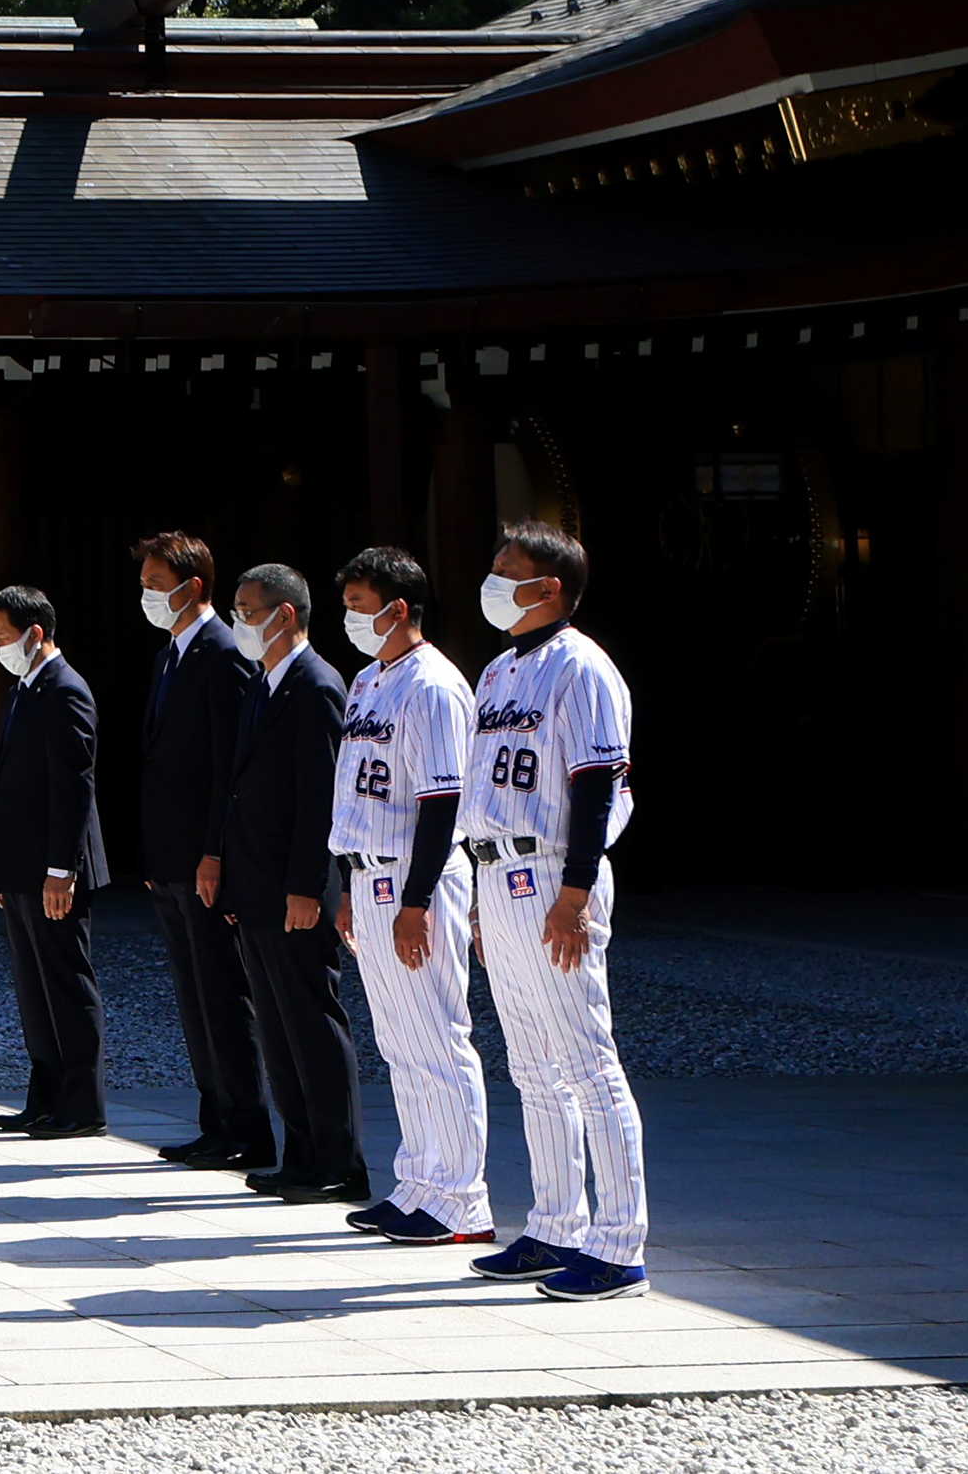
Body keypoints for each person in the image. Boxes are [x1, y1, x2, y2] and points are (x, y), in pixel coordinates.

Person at [464, 523, 649, 1304]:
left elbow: (597, 780)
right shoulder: (501, 668)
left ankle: (618, 1245)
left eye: (511, 571)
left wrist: (576, 893)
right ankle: (555, 1224)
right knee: (533, 1062)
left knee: (586, 1058)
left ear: (551, 587)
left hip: (552, 871)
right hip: (496, 870)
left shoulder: (584, 665)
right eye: (496, 567)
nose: (495, 580)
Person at [327, 544, 491, 1250]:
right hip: (369, 870)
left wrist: (417, 899)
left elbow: (442, 798)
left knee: (438, 1035)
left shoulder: (433, 683)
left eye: (361, 604)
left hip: (415, 873)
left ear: (399, 608)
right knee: (399, 1040)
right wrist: (347, 885)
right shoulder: (368, 679)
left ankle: (463, 1197)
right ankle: (420, 1181)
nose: (350, 616)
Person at [207, 563, 363, 1204]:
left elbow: (319, 796)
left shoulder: (316, 684)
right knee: (276, 1025)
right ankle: (301, 1152)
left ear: (286, 614)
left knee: (310, 1021)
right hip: (257, 883)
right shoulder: (263, 683)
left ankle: (337, 1159)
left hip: (294, 887)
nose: (239, 620)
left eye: (247, 609)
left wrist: (308, 885)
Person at [133, 527, 273, 1176]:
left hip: (206, 859)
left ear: (192, 587)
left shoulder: (222, 651)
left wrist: (215, 852)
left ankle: (247, 1123)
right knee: (193, 995)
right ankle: (214, 1119)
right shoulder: (170, 655)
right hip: (171, 857)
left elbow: (228, 767)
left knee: (222, 991)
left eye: (157, 584)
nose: (148, 594)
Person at [0, 584, 107, 1140]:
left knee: (65, 979)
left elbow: (73, 785)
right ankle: (46, 1094)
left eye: (5, 638)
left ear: (35, 633)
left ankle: (82, 1101)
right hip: (23, 864)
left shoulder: (64, 690)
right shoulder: (24, 689)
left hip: (55, 867)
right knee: (34, 984)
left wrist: (62, 868)